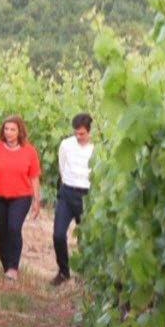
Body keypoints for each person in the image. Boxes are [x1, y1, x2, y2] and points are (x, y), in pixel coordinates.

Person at [0, 116, 42, 280]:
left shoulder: (29, 151)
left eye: (13, 129)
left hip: (21, 197)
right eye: (6, 129)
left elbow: (34, 177)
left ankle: (13, 267)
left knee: (14, 228)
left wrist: (36, 200)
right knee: (2, 232)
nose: (9, 132)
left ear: (20, 131)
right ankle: (7, 265)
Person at [51, 113, 93, 286]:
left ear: (89, 131)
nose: (78, 136)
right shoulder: (66, 145)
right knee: (58, 234)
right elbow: (62, 167)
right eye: (76, 133)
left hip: (87, 195)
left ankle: (84, 276)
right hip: (67, 193)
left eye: (82, 133)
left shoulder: (95, 149)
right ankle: (63, 271)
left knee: (85, 238)